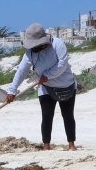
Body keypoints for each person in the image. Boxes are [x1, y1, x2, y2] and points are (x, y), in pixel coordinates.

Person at [5, 22, 78, 150]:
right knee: (47, 115)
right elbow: (21, 71)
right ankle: (46, 145)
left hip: (66, 84)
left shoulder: (57, 44)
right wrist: (12, 90)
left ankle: (71, 145)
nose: (33, 48)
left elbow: (62, 64)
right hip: (45, 87)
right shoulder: (29, 53)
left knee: (67, 115)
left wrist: (47, 75)